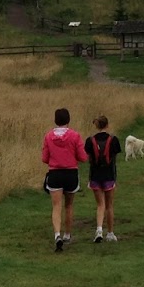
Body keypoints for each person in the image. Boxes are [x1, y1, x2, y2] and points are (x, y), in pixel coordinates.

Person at [41, 107, 86, 252]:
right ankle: (67, 234)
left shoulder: (48, 136)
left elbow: (44, 158)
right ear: (68, 120)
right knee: (69, 205)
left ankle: (57, 235)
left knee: (56, 206)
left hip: (55, 173)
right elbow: (83, 157)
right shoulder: (75, 136)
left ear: (55, 120)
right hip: (71, 173)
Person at [84, 115, 123, 242]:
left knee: (100, 204)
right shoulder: (114, 139)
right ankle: (110, 233)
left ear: (96, 126)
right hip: (109, 175)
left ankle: (99, 230)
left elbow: (88, 157)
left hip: (95, 175)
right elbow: (114, 157)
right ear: (107, 125)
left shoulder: (90, 140)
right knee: (109, 205)